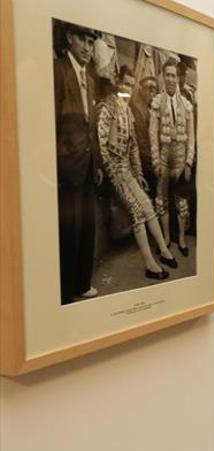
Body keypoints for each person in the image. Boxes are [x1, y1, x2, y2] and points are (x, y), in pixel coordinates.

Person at [96, 66, 178, 280]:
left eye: (131, 85)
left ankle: (164, 250)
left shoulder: (128, 110)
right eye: (125, 84)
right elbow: (102, 146)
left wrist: (138, 173)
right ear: (118, 83)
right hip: (114, 170)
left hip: (128, 170)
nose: (128, 89)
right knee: (136, 211)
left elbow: (133, 148)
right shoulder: (107, 108)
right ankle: (150, 264)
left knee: (148, 206)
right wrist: (112, 174)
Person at [54, 23, 101, 304]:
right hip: (67, 168)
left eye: (91, 41)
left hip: (87, 165)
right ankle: (65, 291)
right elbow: (52, 123)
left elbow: (89, 127)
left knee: (87, 226)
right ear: (70, 38)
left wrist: (96, 166)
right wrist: (57, 167)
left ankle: (82, 283)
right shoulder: (58, 70)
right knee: (68, 230)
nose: (88, 46)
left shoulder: (91, 79)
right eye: (83, 39)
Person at [149, 59, 195, 257]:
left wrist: (188, 162)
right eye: (167, 75)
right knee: (161, 199)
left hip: (180, 156)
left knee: (181, 201)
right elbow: (152, 133)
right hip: (163, 155)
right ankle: (167, 237)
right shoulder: (157, 102)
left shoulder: (186, 104)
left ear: (178, 78)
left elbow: (192, 136)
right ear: (162, 76)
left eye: (173, 75)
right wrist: (155, 160)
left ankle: (182, 239)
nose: (170, 79)